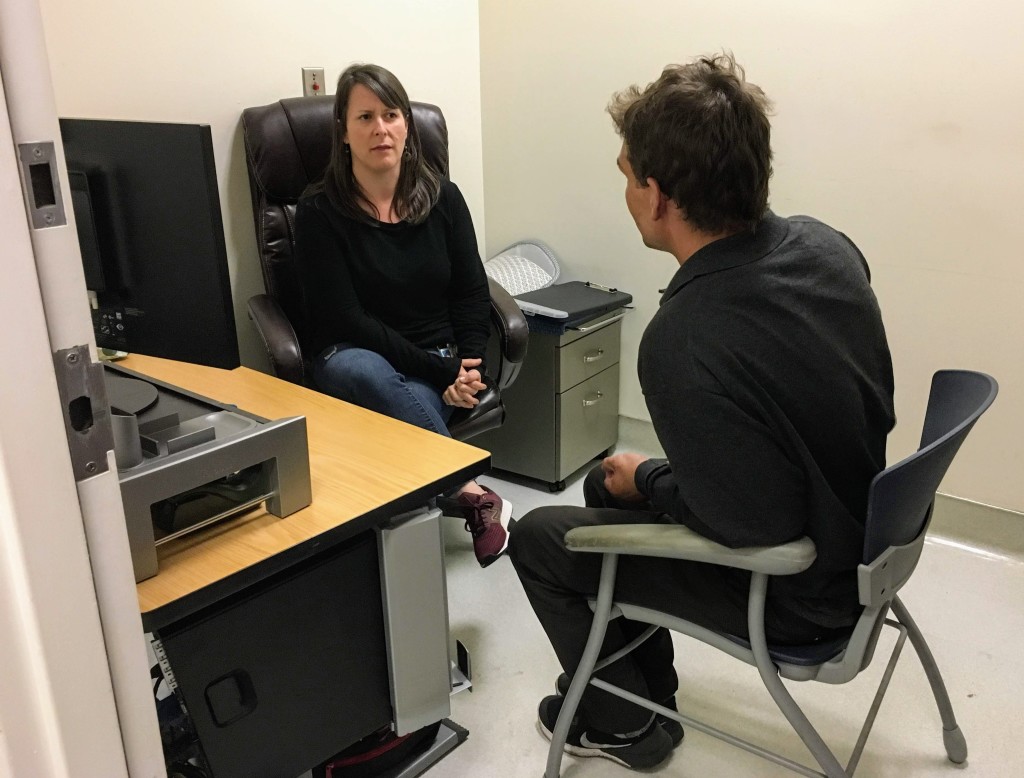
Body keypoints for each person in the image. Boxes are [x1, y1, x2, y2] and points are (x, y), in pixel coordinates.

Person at [509, 52, 895, 770]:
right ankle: (643, 694)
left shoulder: (683, 339)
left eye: (627, 175)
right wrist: (639, 479)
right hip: (860, 537)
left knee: (538, 537)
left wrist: (651, 481)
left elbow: (750, 526)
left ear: (658, 196)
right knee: (602, 485)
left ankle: (624, 727)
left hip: (794, 588)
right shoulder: (827, 247)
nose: (624, 191)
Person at [294, 63, 510, 567]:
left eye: (390, 114)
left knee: (408, 408)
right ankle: (472, 490)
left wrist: (470, 365)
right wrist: (445, 372)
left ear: (407, 125)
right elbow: (346, 319)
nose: (380, 128)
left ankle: (426, 531)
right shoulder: (319, 212)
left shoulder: (443, 199)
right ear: (343, 133)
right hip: (357, 358)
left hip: (441, 364)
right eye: (364, 117)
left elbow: (472, 292)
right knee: (367, 371)